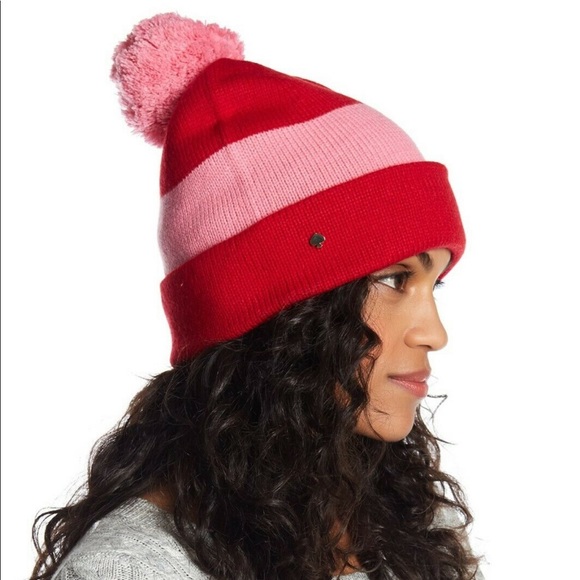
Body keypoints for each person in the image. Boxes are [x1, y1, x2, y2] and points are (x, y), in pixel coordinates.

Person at [31, 12, 483, 580]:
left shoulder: (409, 523)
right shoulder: (135, 569)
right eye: (394, 279)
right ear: (282, 313)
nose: (434, 334)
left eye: (433, 283)